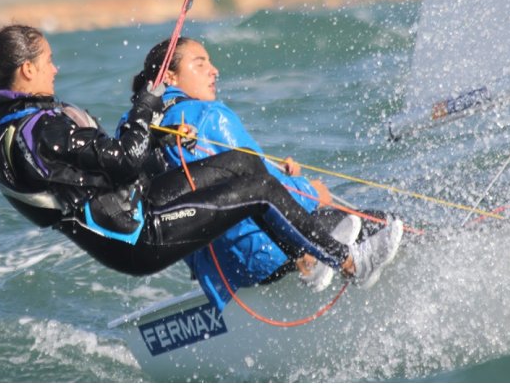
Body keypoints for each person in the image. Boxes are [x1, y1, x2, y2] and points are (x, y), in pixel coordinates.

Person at [0, 24, 401, 282]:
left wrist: (157, 134)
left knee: (243, 165)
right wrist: (146, 106)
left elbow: (104, 168)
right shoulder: (39, 129)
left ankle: (306, 252)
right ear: (27, 69)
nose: (54, 69)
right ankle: (347, 262)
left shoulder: (5, 128)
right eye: (48, 62)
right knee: (258, 188)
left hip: (135, 209)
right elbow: (122, 160)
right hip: (138, 237)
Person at [127, 37, 403, 308]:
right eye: (200, 64)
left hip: (220, 271)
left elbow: (216, 181)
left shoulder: (135, 132)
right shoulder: (208, 116)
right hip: (267, 253)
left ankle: (314, 262)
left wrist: (285, 174)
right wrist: (311, 192)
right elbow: (264, 189)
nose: (214, 70)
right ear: (170, 77)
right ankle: (332, 262)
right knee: (382, 223)